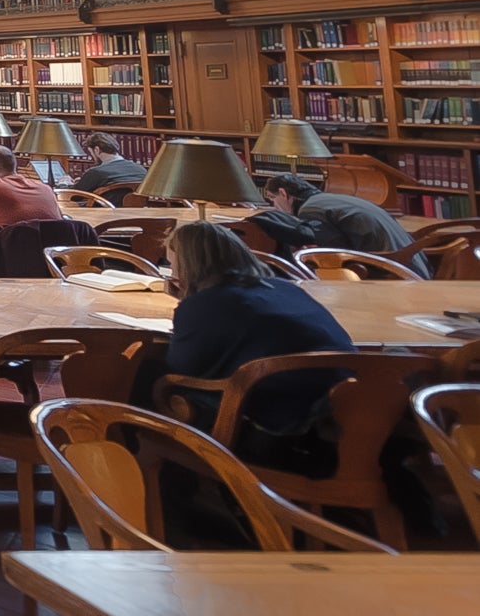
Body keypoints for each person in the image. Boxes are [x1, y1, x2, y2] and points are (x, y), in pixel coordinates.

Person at [156, 220, 351, 436]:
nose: (172, 273)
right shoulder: (284, 288)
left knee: (148, 377)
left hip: (285, 421)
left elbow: (183, 366)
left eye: (172, 266)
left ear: (189, 267)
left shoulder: (209, 303)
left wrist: (187, 307)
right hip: (346, 405)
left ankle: (156, 459)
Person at [262, 174, 423, 267]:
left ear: (283, 194)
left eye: (272, 198)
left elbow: (331, 253)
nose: (274, 205)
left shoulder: (311, 209)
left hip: (392, 269)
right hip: (415, 263)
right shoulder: (328, 199)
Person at [73, 133, 148, 195]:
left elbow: (74, 196)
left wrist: (63, 183)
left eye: (91, 152)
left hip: (103, 212)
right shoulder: (141, 169)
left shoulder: (96, 172)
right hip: (136, 211)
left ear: (97, 150)